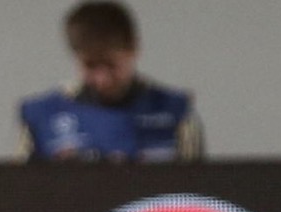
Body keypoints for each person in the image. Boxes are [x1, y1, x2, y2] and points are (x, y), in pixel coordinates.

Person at [19, 1, 203, 163]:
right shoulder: (41, 115)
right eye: (90, 65)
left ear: (134, 49)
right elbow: (20, 187)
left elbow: (196, 187)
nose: (102, 79)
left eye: (111, 65)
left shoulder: (177, 112)